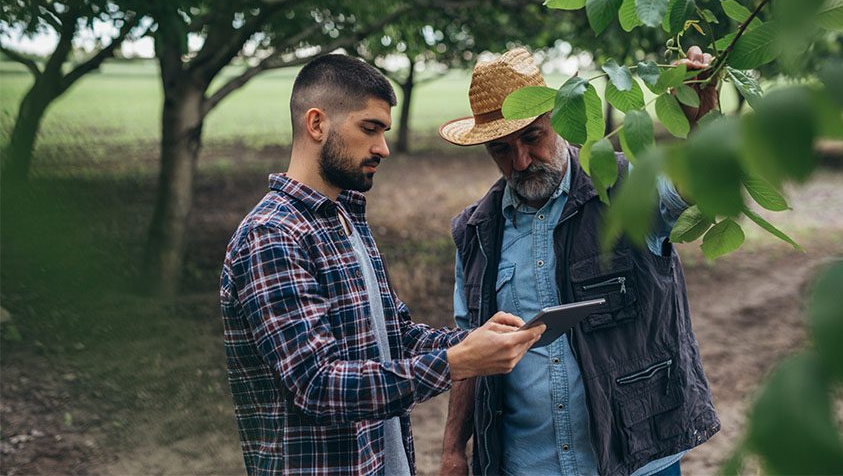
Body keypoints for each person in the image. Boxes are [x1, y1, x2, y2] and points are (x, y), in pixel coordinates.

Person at [220, 53, 544, 475]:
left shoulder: (346, 218)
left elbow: (393, 337)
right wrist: (457, 363)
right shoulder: (273, 236)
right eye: (369, 129)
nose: (384, 148)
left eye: (384, 131)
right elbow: (317, 385)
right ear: (316, 124)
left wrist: (470, 341)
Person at [438, 47, 720, 476]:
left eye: (532, 137)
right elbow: (469, 350)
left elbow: (695, 188)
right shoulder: (476, 231)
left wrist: (701, 125)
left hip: (636, 455)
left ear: (560, 120)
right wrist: (453, 449)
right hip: (529, 464)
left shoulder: (624, 186)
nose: (520, 162)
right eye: (500, 149)